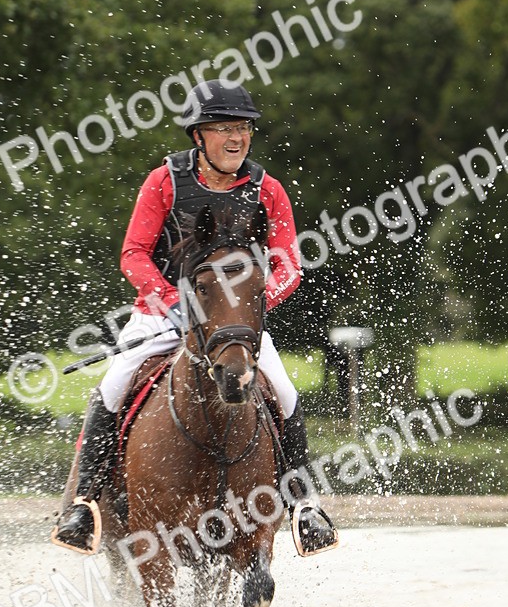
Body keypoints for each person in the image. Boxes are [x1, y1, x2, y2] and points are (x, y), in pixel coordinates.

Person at [53, 79, 336, 556]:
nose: (236, 138)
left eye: (243, 128)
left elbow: (288, 263)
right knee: (112, 385)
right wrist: (171, 301)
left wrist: (248, 304)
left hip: (233, 325)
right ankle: (84, 504)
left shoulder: (268, 190)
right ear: (197, 136)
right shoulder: (163, 181)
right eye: (223, 128)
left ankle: (305, 506)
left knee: (284, 392)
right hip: (162, 316)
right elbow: (134, 254)